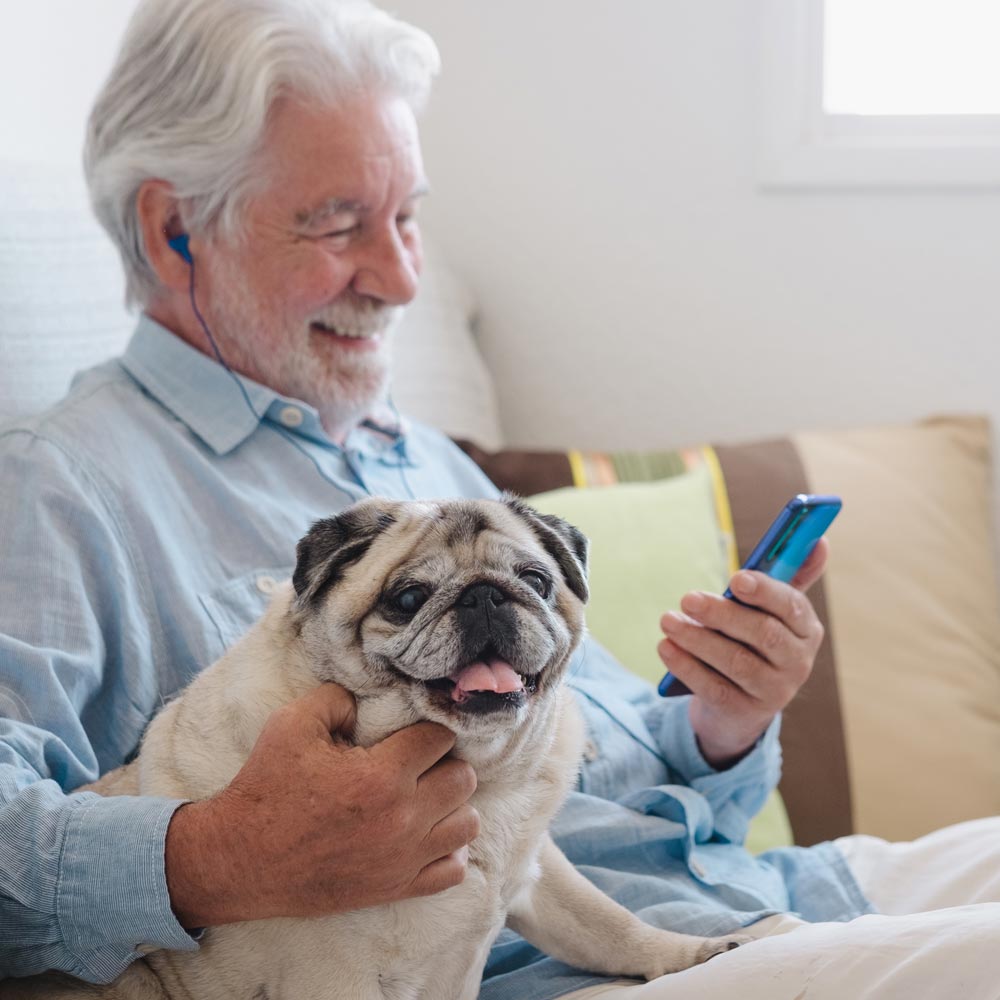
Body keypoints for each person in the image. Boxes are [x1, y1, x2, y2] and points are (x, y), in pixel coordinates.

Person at [1, 1, 999, 998]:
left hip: (769, 892)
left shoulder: (423, 457)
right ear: (174, 230)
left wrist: (720, 722)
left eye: (406, 217)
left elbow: (620, 765)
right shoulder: (70, 485)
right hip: (556, 968)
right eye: (340, 224)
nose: (397, 277)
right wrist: (218, 853)